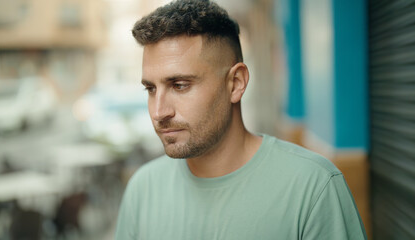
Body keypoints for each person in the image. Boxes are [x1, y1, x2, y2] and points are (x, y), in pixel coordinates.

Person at [115, 0, 367, 239]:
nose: (159, 112)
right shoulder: (143, 190)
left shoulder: (313, 187)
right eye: (150, 89)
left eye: (180, 85)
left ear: (235, 83)